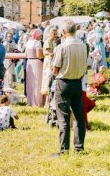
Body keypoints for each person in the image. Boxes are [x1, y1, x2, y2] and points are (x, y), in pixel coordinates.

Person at [52, 21, 88, 156]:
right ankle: (79, 148)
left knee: (63, 118)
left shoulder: (62, 47)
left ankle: (64, 150)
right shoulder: (84, 46)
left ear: (63, 32)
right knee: (79, 117)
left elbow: (55, 69)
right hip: (77, 82)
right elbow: (85, 66)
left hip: (64, 82)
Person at [24, 29, 45, 107]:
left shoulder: (28, 42)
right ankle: (37, 102)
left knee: (30, 83)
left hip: (29, 62)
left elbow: (26, 54)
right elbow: (39, 55)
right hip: (36, 62)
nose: (41, 37)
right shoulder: (37, 43)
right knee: (37, 82)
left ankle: (30, 101)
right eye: (40, 35)